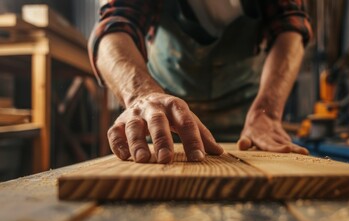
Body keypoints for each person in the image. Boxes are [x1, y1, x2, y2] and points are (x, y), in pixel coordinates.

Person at [89, 0, 312, 164]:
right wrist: (142, 95)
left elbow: (289, 25)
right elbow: (114, 25)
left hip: (249, 127)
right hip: (165, 127)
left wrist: (268, 112)